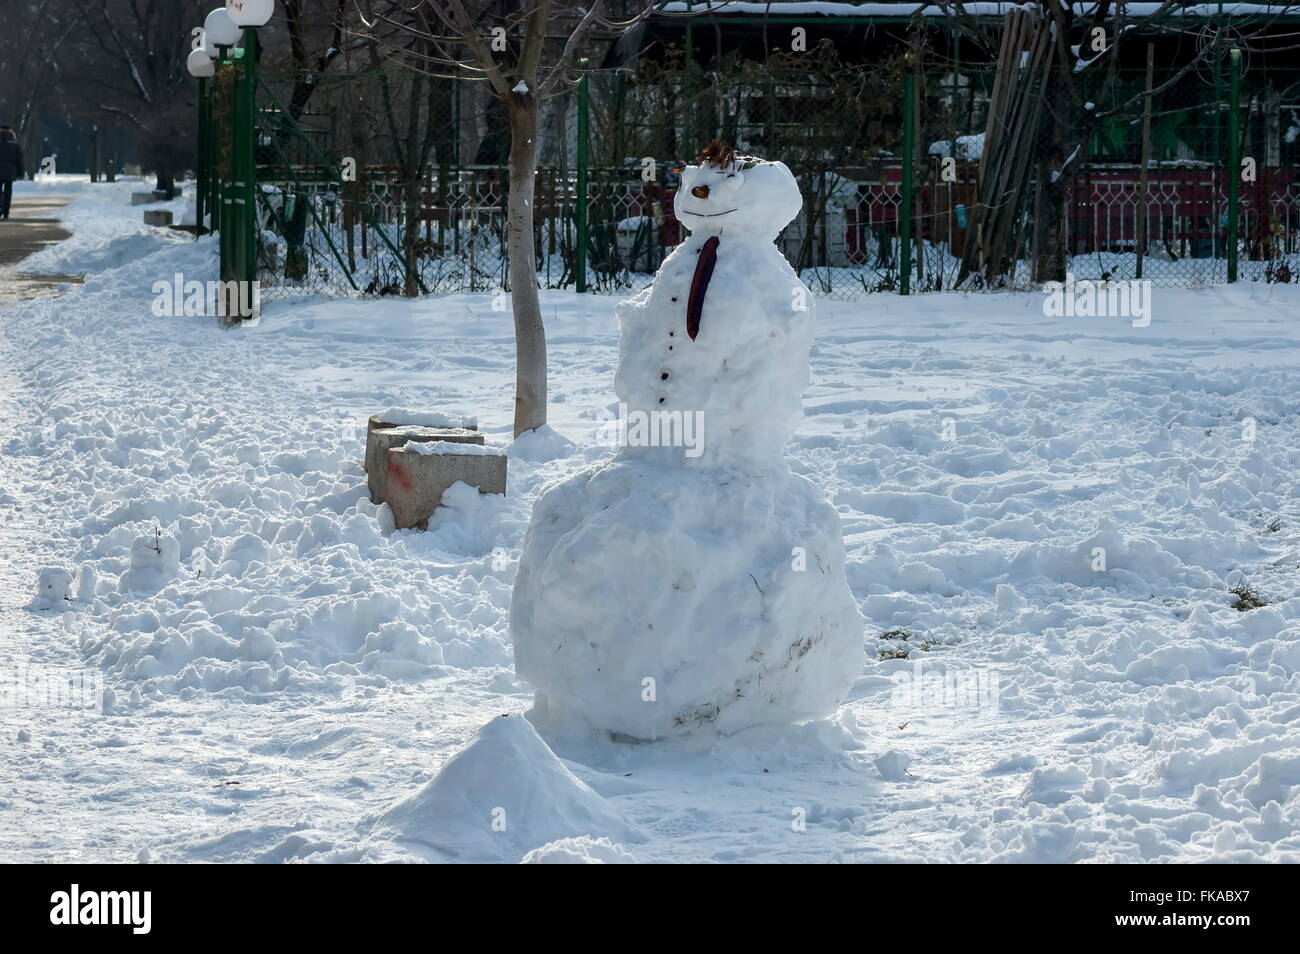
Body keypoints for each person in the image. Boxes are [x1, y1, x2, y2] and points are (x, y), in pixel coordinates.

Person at [0, 125, 25, 220]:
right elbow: (20, 160)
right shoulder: (15, 144)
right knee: (8, 191)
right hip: (10, 172)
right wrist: (20, 173)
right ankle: (6, 212)